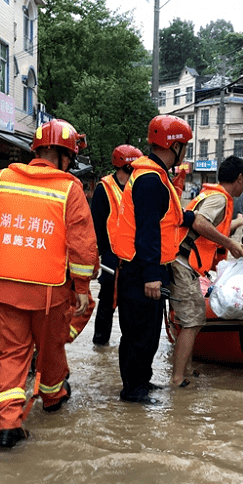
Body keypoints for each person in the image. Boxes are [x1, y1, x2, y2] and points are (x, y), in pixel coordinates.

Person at [0, 118, 98, 448]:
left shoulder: (1, 179)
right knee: (51, 348)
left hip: (6, 290)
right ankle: (53, 398)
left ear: (37, 151)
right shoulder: (70, 188)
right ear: (65, 156)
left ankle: (8, 425)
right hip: (51, 293)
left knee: (9, 356)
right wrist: (83, 289)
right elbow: (83, 246)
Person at [112, 115, 197, 405]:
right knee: (141, 334)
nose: (185, 152)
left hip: (142, 266)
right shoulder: (150, 179)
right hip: (142, 269)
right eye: (183, 146)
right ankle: (133, 391)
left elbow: (164, 222)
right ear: (174, 146)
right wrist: (151, 274)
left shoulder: (153, 175)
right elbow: (147, 231)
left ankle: (141, 382)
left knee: (145, 332)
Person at [169, 156, 243, 388]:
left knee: (194, 320)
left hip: (185, 263)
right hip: (183, 263)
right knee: (192, 321)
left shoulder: (209, 195)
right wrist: (232, 244)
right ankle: (177, 378)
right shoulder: (219, 199)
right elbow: (200, 223)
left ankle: (186, 370)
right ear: (240, 178)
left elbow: (209, 226)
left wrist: (237, 223)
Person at [89, 144, 143, 346]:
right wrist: (101, 255)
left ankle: (127, 346)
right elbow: (96, 225)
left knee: (131, 305)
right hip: (111, 257)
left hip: (132, 257)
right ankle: (100, 345)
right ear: (127, 167)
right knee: (107, 304)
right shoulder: (105, 189)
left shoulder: (134, 188)